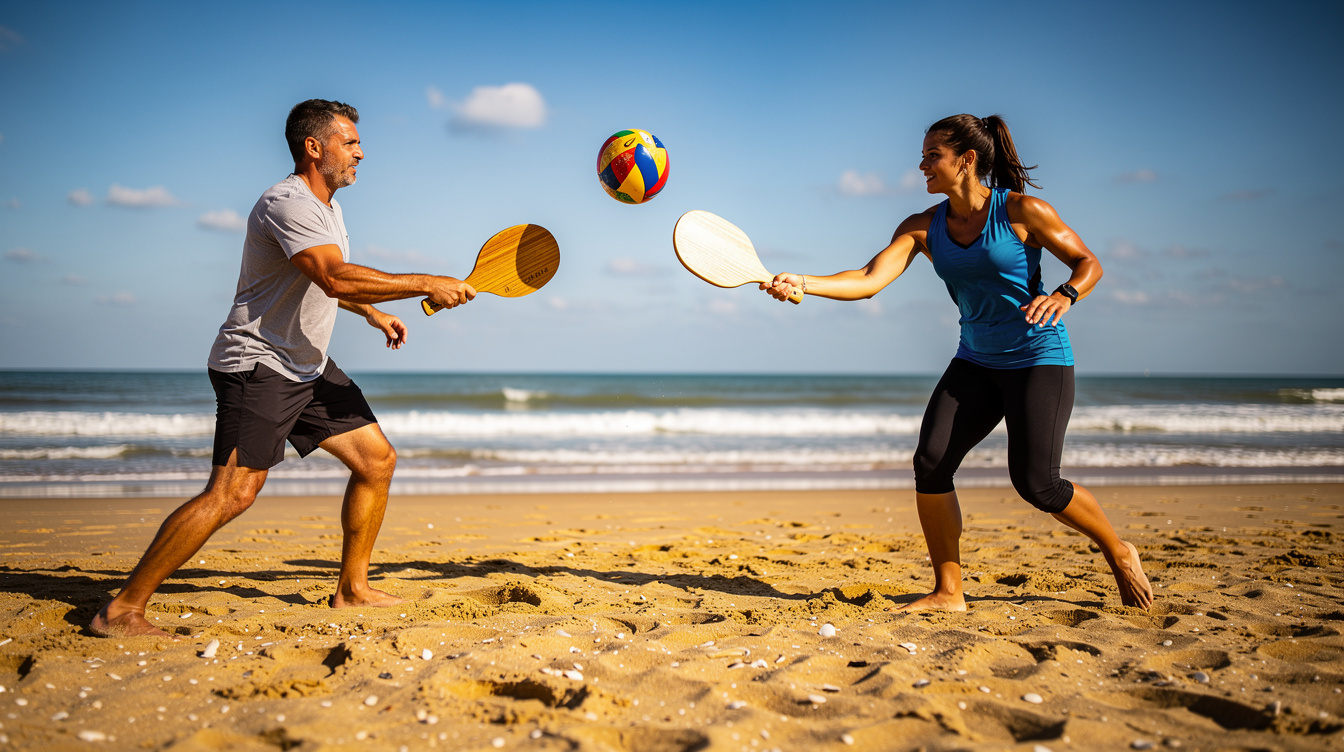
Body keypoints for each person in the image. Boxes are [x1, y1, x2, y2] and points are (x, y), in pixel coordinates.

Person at [91, 99, 477, 638]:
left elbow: (320, 280)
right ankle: (122, 608)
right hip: (259, 364)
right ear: (313, 147)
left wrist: (370, 312)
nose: (361, 153)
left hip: (307, 366)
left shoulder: (330, 209)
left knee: (376, 461)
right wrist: (427, 283)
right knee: (233, 494)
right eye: (350, 142)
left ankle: (352, 590)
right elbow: (335, 276)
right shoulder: (287, 202)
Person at [762, 114, 1153, 611]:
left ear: (966, 160)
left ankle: (1119, 551)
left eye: (932, 156)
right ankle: (949, 591)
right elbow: (867, 278)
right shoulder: (923, 227)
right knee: (931, 461)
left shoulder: (1022, 211)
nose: (921, 165)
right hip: (976, 360)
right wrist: (804, 282)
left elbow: (1088, 262)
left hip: (1038, 359)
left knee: (1037, 484)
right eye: (923, 155)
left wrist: (1065, 294)